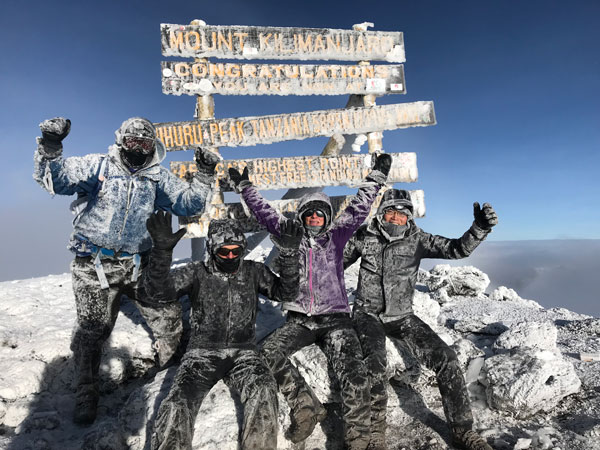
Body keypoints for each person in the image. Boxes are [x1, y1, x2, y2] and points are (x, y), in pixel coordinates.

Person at [32, 117, 218, 425]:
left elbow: (188, 205)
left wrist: (204, 175)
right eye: (133, 142)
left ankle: (173, 373)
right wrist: (52, 146)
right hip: (93, 263)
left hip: (138, 264)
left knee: (168, 317)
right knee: (93, 330)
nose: (139, 149)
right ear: (122, 142)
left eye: (145, 144)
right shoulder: (100, 166)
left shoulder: (158, 177)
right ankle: (86, 390)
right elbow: (59, 179)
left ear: (153, 147)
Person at [228, 153, 392, 450]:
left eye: (320, 213)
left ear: (327, 217)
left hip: (336, 319)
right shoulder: (290, 234)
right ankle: (306, 406)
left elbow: (358, 208)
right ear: (301, 216)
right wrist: (244, 188)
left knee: (353, 373)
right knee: (267, 353)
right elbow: (264, 212)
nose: (314, 217)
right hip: (300, 319)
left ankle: (360, 441)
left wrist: (376, 180)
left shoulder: (338, 236)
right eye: (309, 213)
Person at [343, 188, 498, 450]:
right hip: (367, 314)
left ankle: (462, 431)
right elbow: (334, 262)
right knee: (375, 365)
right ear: (382, 213)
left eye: (402, 213)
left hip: (402, 316)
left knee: (447, 358)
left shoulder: (417, 239)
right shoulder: (364, 237)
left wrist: (479, 229)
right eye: (390, 211)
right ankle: (375, 434)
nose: (396, 217)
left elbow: (456, 249)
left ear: (409, 217)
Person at [143, 212, 303, 450]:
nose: (230, 256)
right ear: (211, 249)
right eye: (223, 252)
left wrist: (289, 257)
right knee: (178, 402)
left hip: (244, 353)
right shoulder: (197, 272)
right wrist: (161, 252)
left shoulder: (253, 271)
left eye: (235, 251)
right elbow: (159, 293)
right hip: (201, 353)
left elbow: (285, 293)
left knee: (263, 388)